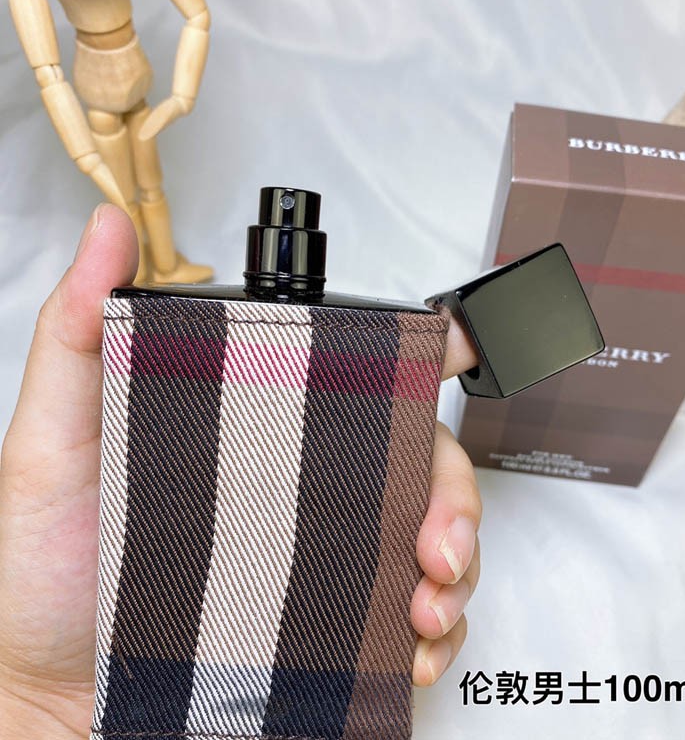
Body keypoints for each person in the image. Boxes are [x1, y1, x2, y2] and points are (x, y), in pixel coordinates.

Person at [0, 205, 482, 737]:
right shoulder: (167, 333)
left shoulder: (170, 325)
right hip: (106, 700)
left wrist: (29, 702)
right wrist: (28, 696)